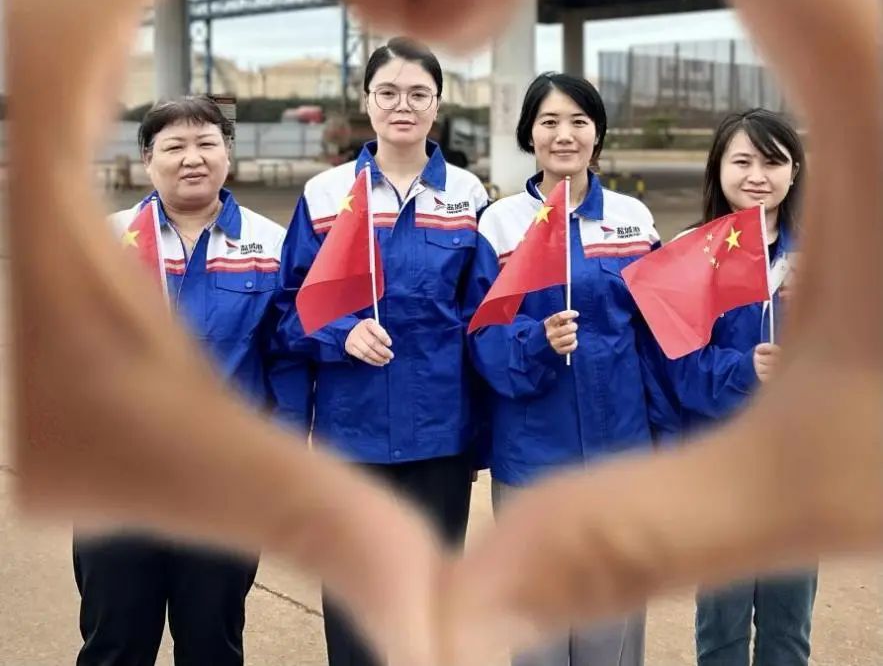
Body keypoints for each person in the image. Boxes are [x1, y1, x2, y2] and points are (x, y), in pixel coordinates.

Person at [73, 96, 313, 666]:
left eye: (206, 143)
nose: (192, 158)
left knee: (212, 644)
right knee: (115, 644)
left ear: (227, 153)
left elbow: (288, 361)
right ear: (147, 159)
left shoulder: (271, 245)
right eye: (174, 146)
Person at [275, 36, 489, 666]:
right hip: (352, 436)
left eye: (419, 94)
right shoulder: (326, 195)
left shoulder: (469, 196)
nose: (403, 105)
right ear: (366, 101)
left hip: (440, 436)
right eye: (388, 92)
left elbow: (484, 317)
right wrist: (341, 334)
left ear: (438, 104)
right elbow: (288, 311)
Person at [464, 72, 680, 666]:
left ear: (597, 134)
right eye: (549, 122)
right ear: (529, 134)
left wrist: (665, 439)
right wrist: (537, 341)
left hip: (621, 452)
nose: (565, 135)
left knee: (610, 630)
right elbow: (482, 336)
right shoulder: (500, 224)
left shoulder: (634, 220)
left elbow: (660, 339)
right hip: (533, 455)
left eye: (579, 122)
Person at [664, 109, 816, 666]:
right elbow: (676, 366)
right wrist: (745, 370)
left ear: (794, 172)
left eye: (773, 162)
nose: (757, 175)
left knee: (788, 627)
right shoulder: (688, 252)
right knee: (722, 627)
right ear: (718, 168)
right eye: (742, 161)